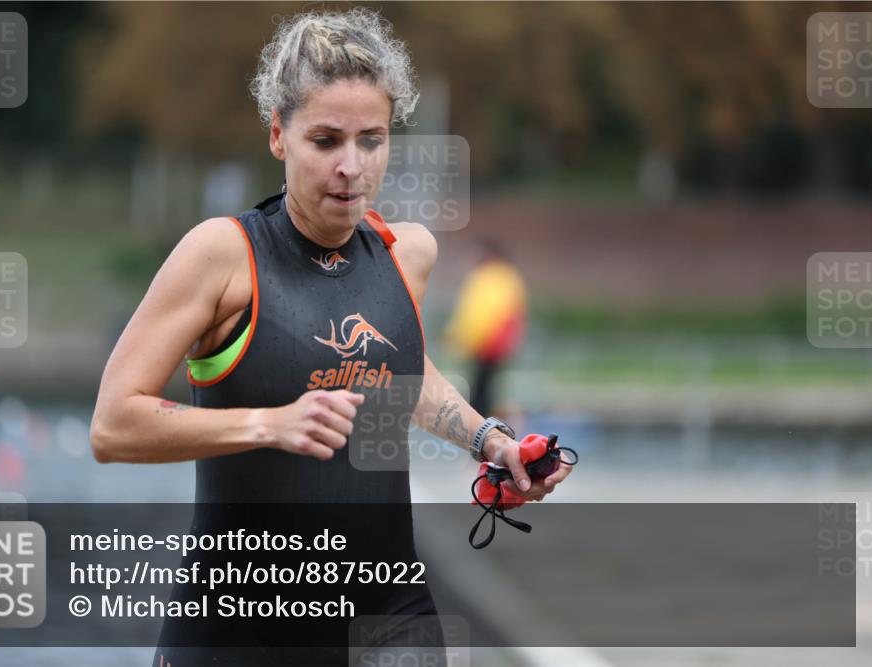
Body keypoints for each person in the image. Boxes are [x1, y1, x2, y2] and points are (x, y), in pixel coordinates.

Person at [89, 8, 572, 666]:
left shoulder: (408, 254)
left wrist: (491, 441)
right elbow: (114, 425)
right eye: (325, 140)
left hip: (389, 617)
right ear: (278, 136)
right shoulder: (222, 256)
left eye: (371, 140)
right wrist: (268, 424)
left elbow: (405, 374)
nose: (351, 166)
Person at [445, 239, 528, 415]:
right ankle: (485, 425)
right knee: (487, 387)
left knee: (479, 390)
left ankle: (478, 428)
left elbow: (478, 313)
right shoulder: (508, 276)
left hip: (485, 342)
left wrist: (461, 339)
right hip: (497, 343)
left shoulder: (486, 277)